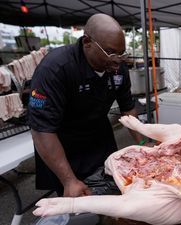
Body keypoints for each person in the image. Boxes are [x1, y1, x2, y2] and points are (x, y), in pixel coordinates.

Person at [28, 14, 143, 197]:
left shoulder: (117, 67)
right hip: (64, 147)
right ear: (87, 42)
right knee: (78, 203)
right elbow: (42, 130)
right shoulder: (55, 68)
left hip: (99, 138)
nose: (117, 60)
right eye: (110, 52)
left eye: (121, 54)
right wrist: (68, 180)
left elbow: (127, 107)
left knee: (114, 193)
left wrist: (143, 142)